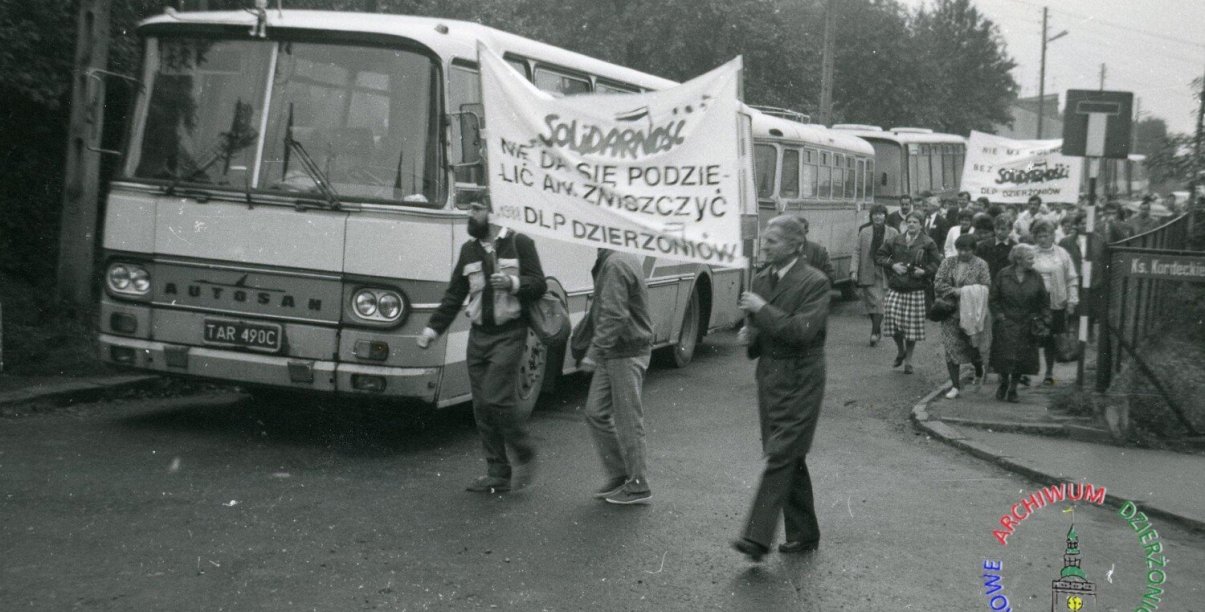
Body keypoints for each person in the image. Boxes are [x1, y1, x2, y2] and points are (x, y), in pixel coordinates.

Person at [417, 200, 546, 493]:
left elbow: (539, 284)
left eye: (475, 208)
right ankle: (497, 472)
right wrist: (432, 330)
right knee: (482, 406)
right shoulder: (469, 250)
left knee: (495, 399)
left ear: (493, 209)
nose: (469, 214)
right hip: (478, 335)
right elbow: (454, 295)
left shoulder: (520, 242)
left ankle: (524, 451)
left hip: (509, 333)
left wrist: (513, 283)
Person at [732, 215, 830, 561]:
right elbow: (763, 330)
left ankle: (756, 538)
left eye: (772, 241)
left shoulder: (815, 282)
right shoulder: (761, 278)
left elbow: (802, 331)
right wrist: (751, 336)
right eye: (764, 240)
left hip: (802, 376)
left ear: (794, 245)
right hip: (771, 377)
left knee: (781, 453)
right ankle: (804, 533)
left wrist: (762, 310)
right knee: (788, 453)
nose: (764, 246)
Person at [580, 248, 655, 505]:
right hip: (616, 349)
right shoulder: (620, 257)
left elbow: (615, 315)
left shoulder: (615, 263)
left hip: (625, 351)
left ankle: (638, 485)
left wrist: (593, 352)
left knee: (628, 420)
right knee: (595, 412)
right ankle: (620, 473)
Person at [875, 210, 940, 374]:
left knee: (911, 328)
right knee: (892, 322)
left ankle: (908, 361)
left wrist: (924, 272)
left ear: (921, 224)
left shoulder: (928, 242)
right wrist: (893, 265)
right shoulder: (896, 240)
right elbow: (879, 255)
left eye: (915, 222)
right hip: (896, 287)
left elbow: (936, 263)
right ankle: (900, 351)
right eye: (909, 222)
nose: (911, 224)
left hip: (916, 289)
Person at [989, 244, 1049, 402]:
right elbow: (993, 298)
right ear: (1018, 259)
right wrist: (999, 316)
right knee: (1004, 357)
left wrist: (1044, 319)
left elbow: (1044, 300)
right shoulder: (1003, 274)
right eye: (1030, 258)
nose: (1033, 261)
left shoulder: (1036, 276)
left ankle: (1013, 388)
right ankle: (1003, 382)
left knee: (1022, 359)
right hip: (1006, 321)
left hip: (1027, 322)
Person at [934, 234, 991, 399]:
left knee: (972, 347)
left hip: (972, 314)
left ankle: (978, 367)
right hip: (950, 311)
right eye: (960, 249)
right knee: (951, 349)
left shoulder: (981, 265)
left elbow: (986, 286)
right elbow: (938, 282)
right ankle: (955, 386)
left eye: (967, 250)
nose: (964, 253)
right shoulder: (948, 262)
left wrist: (966, 292)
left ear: (973, 250)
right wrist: (955, 292)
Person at [1030, 221, 1078, 385]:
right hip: (1034, 302)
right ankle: (1026, 372)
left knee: (1051, 339)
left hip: (1055, 301)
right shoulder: (1030, 253)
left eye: (1046, 235)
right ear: (1035, 237)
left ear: (1052, 235)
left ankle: (1049, 374)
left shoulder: (1062, 254)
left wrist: (1072, 300)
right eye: (1039, 236)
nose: (1043, 239)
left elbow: (1071, 278)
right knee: (1030, 337)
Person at [852, 205, 898, 346]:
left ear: (885, 216)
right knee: (871, 303)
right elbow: (857, 251)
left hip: (885, 272)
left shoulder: (893, 232)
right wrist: (853, 270)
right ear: (871, 216)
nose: (878, 217)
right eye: (875, 214)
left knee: (880, 303)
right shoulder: (864, 231)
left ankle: (874, 332)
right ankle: (877, 330)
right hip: (868, 270)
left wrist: (896, 266)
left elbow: (898, 252)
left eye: (881, 214)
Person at [795, 215, 836, 282]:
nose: (795, 234)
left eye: (799, 231)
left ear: (806, 231)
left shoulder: (818, 251)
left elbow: (830, 275)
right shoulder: (784, 251)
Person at [977, 215, 1017, 279]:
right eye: (997, 228)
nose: (999, 232)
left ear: (1010, 230)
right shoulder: (983, 246)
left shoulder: (1015, 247)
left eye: (1003, 229)